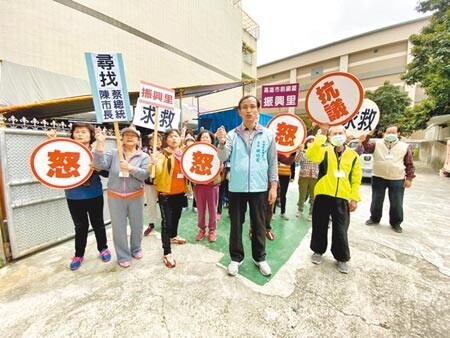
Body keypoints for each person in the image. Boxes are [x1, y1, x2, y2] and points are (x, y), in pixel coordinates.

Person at [216, 95, 278, 277]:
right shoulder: (231, 135)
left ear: (258, 109)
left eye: (252, 106)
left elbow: (272, 163)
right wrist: (220, 143)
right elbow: (222, 157)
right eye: (245, 107)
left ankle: (260, 258)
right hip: (237, 187)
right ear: (239, 111)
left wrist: (273, 186)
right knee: (236, 224)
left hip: (259, 188)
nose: (249, 110)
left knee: (259, 224)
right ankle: (236, 258)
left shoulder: (268, 135)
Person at [48, 123, 111, 271]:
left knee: (98, 223)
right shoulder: (65, 151)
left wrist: (98, 168)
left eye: (84, 132)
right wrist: (51, 141)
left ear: (91, 136)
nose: (80, 134)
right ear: (72, 135)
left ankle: (103, 248)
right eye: (77, 132)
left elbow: (107, 173)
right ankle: (78, 255)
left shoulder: (97, 152)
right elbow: (50, 163)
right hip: (73, 195)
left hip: (94, 194)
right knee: (80, 226)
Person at [306, 125, 362, 274]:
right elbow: (311, 154)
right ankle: (318, 251)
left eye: (340, 133)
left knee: (341, 229)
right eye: (334, 133)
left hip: (342, 197)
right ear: (329, 137)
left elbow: (356, 179)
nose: (337, 135)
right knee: (319, 225)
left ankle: (341, 257)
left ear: (345, 134)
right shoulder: (324, 151)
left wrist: (354, 198)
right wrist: (321, 134)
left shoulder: (353, 156)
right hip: (323, 194)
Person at [93, 126, 150, 268]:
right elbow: (99, 165)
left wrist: (131, 169)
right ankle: (123, 255)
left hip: (136, 196)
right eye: (126, 135)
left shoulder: (144, 157)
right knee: (119, 228)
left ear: (138, 140)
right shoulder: (113, 153)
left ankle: (136, 248)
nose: (129, 137)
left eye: (133, 135)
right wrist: (100, 144)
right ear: (121, 138)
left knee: (137, 226)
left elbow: (145, 175)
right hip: (115, 196)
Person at [358, 125, 415, 233]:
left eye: (393, 132)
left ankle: (396, 223)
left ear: (398, 134)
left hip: (397, 178)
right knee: (376, 200)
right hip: (378, 176)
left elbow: (409, 163)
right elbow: (366, 147)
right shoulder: (376, 144)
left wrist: (409, 178)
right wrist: (368, 136)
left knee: (396, 202)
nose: (390, 135)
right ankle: (374, 218)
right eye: (388, 132)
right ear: (383, 133)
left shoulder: (405, 146)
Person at [152, 129, 188, 268]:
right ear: (166, 140)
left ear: (180, 139)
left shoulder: (184, 154)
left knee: (177, 217)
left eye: (176, 136)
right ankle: (167, 252)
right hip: (165, 194)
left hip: (180, 193)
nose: (174, 138)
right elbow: (158, 171)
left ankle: (173, 236)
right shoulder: (161, 155)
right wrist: (153, 164)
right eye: (171, 136)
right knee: (166, 223)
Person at [193, 130, 221, 242]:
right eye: (202, 137)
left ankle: (212, 230)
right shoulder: (194, 152)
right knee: (200, 209)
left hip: (212, 185)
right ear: (199, 139)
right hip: (199, 185)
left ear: (211, 140)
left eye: (207, 137)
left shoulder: (217, 152)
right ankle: (201, 229)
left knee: (212, 209)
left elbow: (220, 165)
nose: (205, 139)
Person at [295, 136, 319, 221]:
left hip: (314, 176)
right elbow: (297, 161)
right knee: (302, 194)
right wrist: (301, 151)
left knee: (313, 196)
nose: (311, 143)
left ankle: (311, 213)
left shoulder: (318, 152)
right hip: (303, 176)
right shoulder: (302, 151)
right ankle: (300, 209)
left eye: (313, 141)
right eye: (309, 141)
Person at [143, 132, 162, 236]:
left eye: (159, 140)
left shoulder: (164, 152)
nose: (157, 142)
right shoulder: (145, 152)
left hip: (162, 183)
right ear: (150, 141)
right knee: (151, 204)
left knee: (164, 204)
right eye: (154, 140)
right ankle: (151, 223)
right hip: (149, 182)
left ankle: (165, 221)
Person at [273, 152, 296, 220]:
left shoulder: (290, 152)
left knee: (283, 194)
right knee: (275, 193)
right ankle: (273, 212)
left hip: (286, 176)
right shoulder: (278, 152)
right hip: (277, 174)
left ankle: (283, 212)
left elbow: (292, 164)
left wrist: (292, 176)